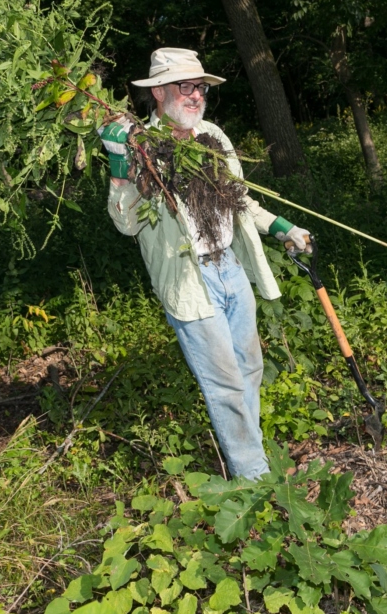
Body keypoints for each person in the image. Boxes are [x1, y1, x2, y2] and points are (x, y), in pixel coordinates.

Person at [99, 47, 311, 480]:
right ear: (158, 92)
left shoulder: (213, 137)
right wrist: (120, 164)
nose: (196, 95)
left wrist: (283, 227)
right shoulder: (139, 146)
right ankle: (256, 480)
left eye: (200, 87)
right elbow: (124, 223)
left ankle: (246, 457)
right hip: (189, 280)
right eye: (185, 86)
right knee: (225, 384)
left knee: (249, 369)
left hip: (230, 267)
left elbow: (240, 200)